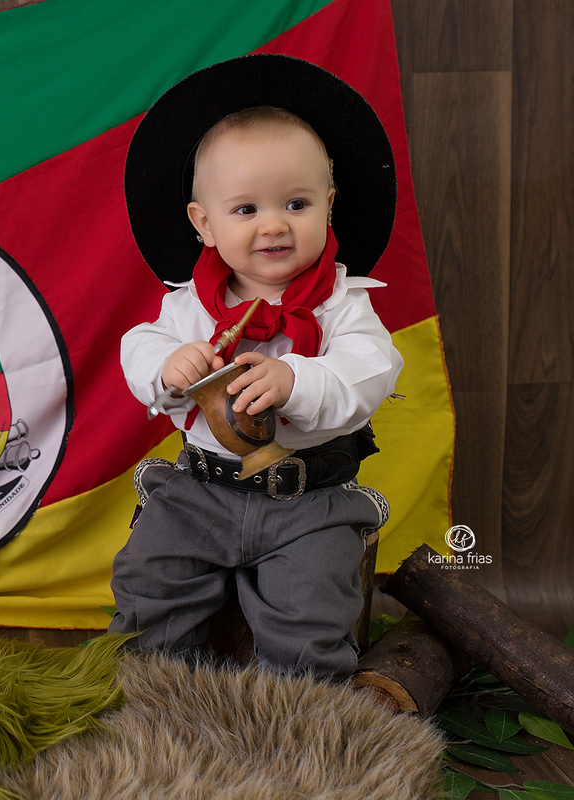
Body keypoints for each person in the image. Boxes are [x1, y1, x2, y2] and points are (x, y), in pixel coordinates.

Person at [109, 55, 404, 680]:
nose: (274, 225)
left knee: (310, 617)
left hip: (308, 498)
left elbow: (373, 369)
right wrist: (167, 365)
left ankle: (299, 730)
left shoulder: (342, 303)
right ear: (204, 224)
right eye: (245, 210)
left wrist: (298, 381)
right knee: (148, 585)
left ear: (329, 205)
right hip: (199, 491)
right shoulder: (187, 306)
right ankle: (145, 703)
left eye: (296, 204)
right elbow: (137, 345)